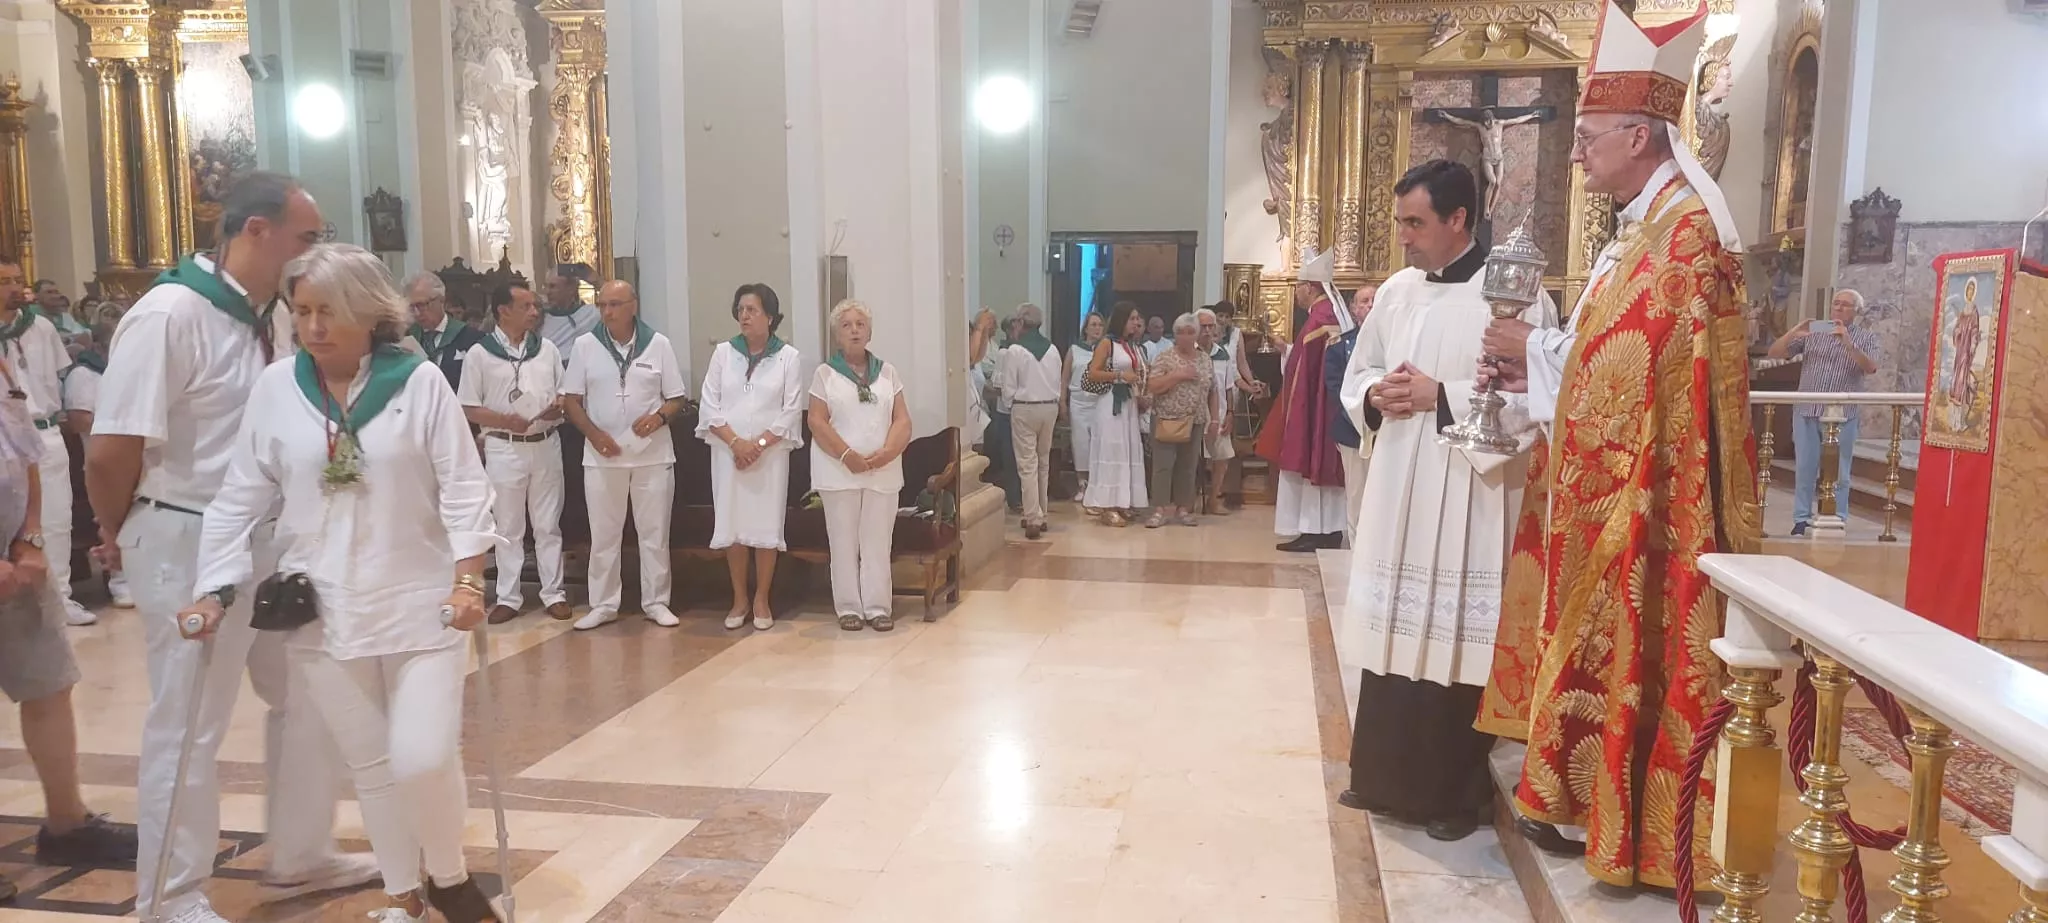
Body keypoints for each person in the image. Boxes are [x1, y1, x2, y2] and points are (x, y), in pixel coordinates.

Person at [1477, 1, 1760, 889]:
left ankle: (1638, 819)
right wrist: (1534, 374)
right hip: (1611, 483)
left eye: (1589, 134)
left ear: (1641, 135)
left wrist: (1536, 353)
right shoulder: (1645, 224)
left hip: (1655, 500)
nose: (1574, 150)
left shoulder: (1683, 235)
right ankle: (1594, 802)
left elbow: (1640, 372)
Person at [184, 244, 502, 923]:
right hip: (321, 610)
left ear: (368, 311)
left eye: (330, 310)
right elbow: (239, 496)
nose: (315, 325)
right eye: (302, 310)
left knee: (420, 756)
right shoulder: (275, 389)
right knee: (371, 766)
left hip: (422, 606)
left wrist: (469, 579)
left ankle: (447, 876)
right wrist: (214, 587)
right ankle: (403, 896)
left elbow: (464, 485)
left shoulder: (417, 383)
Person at [86, 171, 371, 923]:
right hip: (186, 533)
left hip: (273, 538)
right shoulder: (169, 313)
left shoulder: (270, 317)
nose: (317, 252)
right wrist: (119, 534)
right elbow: (112, 448)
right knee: (189, 720)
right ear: (255, 232)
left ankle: (301, 852)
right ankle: (169, 893)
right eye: (307, 237)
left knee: (311, 690)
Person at [1336, 159, 1553, 842]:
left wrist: (1443, 397)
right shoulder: (1399, 290)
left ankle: (1454, 795)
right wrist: (1374, 394)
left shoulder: (1516, 295)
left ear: (1458, 219)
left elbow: (1530, 399)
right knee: (1397, 630)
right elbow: (1360, 369)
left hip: (1469, 488)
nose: (1403, 236)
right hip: (1402, 480)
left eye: (1415, 222)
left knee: (1457, 637)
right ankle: (1383, 779)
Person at [0, 264, 138, 902]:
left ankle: (66, 821)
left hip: (15, 558)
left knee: (50, 684)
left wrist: (28, 538)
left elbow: (23, 450)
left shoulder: (4, 362)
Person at [561, 281, 689, 630]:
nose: (607, 312)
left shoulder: (658, 344)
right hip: (602, 455)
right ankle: (603, 603)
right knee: (603, 534)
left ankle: (657, 601)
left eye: (615, 304)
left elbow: (676, 397)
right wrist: (594, 434)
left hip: (652, 455)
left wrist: (659, 417)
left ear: (633, 305)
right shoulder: (586, 346)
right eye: (602, 304)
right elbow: (570, 399)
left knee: (654, 533)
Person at [459, 282, 571, 625]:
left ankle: (554, 593)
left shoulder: (547, 349)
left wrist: (558, 409)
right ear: (503, 311)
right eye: (526, 306)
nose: (535, 312)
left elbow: (564, 394)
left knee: (548, 524)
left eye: (535, 306)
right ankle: (509, 595)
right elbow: (468, 406)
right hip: (505, 447)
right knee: (508, 525)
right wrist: (504, 420)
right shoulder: (480, 353)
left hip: (545, 443)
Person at [699, 283, 804, 631]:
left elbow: (790, 411)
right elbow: (710, 405)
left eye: (752, 310)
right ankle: (739, 597)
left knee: (764, 525)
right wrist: (735, 444)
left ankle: (762, 597)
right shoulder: (723, 354)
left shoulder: (788, 357)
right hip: (729, 455)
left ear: (770, 317)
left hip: (769, 457)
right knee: (735, 526)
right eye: (740, 309)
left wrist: (757, 445)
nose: (744, 315)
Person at [808, 300, 912, 632]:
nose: (854, 330)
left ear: (869, 332)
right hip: (839, 471)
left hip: (882, 469)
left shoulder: (888, 372)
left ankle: (879, 607)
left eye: (860, 324)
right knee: (843, 542)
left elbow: (902, 420)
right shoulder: (825, 373)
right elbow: (817, 421)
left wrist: (887, 452)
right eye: (846, 325)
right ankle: (849, 607)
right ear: (837, 334)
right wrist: (846, 455)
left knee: (878, 542)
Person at [0, 265, 94, 627]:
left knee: (56, 520)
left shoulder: (40, 327)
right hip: (5, 438)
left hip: (44, 430)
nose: (14, 288)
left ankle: (61, 599)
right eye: (4, 282)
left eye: (17, 281)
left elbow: (57, 377)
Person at [1256, 246, 1352, 552]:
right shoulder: (1326, 315)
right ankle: (1320, 530)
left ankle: (1317, 530)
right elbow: (1303, 363)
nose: (1295, 292)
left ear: (1310, 288)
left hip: (1316, 407)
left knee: (1311, 457)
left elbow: (1307, 367)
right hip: (1322, 403)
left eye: (1298, 287)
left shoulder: (1319, 319)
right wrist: (1288, 351)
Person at [1766, 287, 1879, 535]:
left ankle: (1837, 516)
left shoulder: (1865, 337)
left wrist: (1847, 343)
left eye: (1845, 305)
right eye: (1836, 303)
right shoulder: (1814, 334)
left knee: (1840, 470)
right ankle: (1801, 519)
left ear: (1856, 311)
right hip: (1807, 410)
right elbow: (1774, 353)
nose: (1838, 308)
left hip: (1843, 414)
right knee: (1805, 468)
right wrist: (1795, 331)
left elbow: (1870, 367)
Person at [61, 305, 125, 609]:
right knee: (110, 517)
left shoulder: (122, 370)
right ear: (101, 344)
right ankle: (118, 581)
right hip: (98, 456)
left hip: (130, 454)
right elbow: (78, 418)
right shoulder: (84, 374)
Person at [1144, 313, 1218, 528]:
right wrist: (1177, 376)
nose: (1185, 337)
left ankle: (1183, 508)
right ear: (1175, 335)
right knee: (1163, 466)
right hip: (1167, 419)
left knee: (1188, 466)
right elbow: (1154, 386)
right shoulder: (1165, 357)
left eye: (1190, 332)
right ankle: (1159, 509)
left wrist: (1214, 419)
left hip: (1195, 420)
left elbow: (1213, 390)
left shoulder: (1204, 358)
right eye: (1180, 333)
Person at [1081, 301, 1149, 526]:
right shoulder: (1107, 343)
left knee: (1126, 451)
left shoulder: (1131, 345)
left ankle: (1122, 501)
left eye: (1138, 318)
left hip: (1128, 404)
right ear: (1122, 320)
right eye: (1132, 318)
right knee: (1111, 451)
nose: (1137, 322)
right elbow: (1093, 374)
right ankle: (1106, 505)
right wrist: (1119, 376)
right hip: (1110, 404)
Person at [1000, 303, 1063, 540]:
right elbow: (1057, 383)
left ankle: (1033, 517)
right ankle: (1042, 512)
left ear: (1020, 323)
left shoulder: (1016, 351)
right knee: (1043, 461)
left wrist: (1010, 405)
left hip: (1025, 409)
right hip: (1049, 407)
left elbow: (1008, 388)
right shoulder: (1053, 349)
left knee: (1027, 463)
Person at [1203, 301, 1265, 513]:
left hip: (1227, 394)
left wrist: (1251, 384)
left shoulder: (1235, 336)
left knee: (1227, 448)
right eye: (1219, 315)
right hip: (1205, 399)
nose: (1223, 320)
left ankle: (1222, 492)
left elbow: (1240, 365)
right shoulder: (1201, 345)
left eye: (1227, 317)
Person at [1326, 285, 1377, 543]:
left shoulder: (1400, 343)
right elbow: (1335, 389)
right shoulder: (1339, 346)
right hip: (1352, 430)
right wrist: (1361, 418)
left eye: (1375, 300)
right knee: (1357, 494)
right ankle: (1356, 550)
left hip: (1391, 431)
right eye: (1364, 301)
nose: (1370, 305)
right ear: (1354, 309)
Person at [405, 272, 485, 388]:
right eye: (412, 307)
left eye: (422, 305)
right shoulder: (407, 338)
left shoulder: (472, 338)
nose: (417, 313)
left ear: (441, 300)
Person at [1064, 312, 1106, 500]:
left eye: (1100, 325)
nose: (1097, 328)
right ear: (1086, 328)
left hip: (1099, 401)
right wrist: (1061, 403)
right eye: (1093, 325)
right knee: (1081, 443)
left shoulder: (1106, 349)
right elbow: (1064, 378)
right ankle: (1082, 484)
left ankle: (1097, 484)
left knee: (1098, 442)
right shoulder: (1074, 349)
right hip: (1078, 402)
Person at [539, 265, 601, 360]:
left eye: (553, 286)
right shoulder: (539, 317)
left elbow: (617, 304)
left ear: (571, 289)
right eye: (545, 286)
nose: (547, 292)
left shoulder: (590, 314)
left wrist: (597, 281)